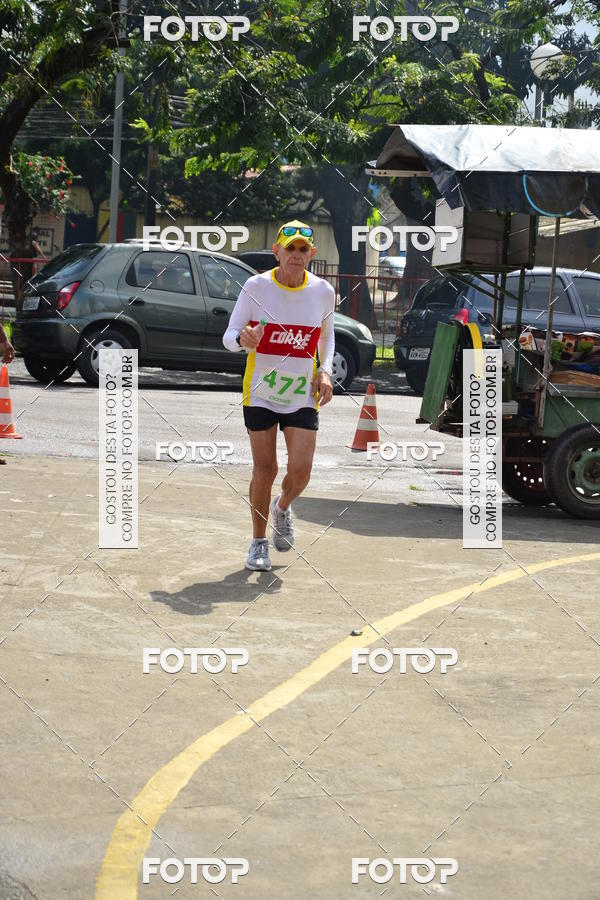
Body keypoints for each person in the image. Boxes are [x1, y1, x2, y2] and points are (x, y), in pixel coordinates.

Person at [223, 220, 335, 571]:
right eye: (290, 249)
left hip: (302, 394)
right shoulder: (256, 287)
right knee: (266, 468)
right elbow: (228, 335)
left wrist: (326, 371)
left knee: (300, 472)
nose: (296, 256)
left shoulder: (323, 292)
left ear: (311, 254)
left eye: (303, 250)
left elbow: (327, 338)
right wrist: (243, 339)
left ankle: (282, 508)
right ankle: (258, 543)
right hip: (260, 392)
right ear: (277, 252)